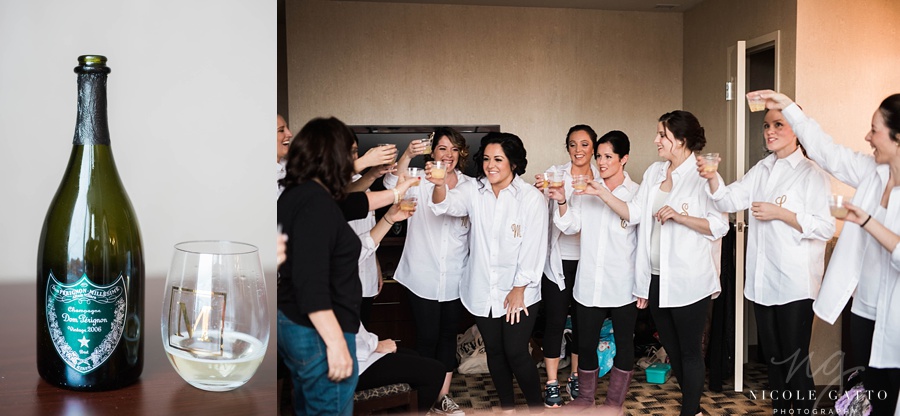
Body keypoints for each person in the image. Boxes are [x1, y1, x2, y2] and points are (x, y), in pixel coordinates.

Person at [755, 90, 900, 415]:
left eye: (874, 130)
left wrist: (865, 220)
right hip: (864, 307)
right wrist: (787, 106)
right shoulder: (871, 173)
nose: (867, 136)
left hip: (897, 312)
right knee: (864, 394)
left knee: (889, 399)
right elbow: (825, 150)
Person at [589, 111, 727, 416]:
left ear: (682, 140)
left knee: (690, 351)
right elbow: (633, 213)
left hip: (690, 279)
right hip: (655, 277)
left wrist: (680, 216)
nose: (656, 140)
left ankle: (690, 411)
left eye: (662, 135)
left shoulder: (703, 173)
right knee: (672, 349)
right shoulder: (654, 172)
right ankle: (694, 409)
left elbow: (719, 226)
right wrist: (600, 192)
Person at [277, 117, 415, 416]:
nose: (355, 159)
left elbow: (354, 203)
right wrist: (337, 344)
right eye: (351, 152)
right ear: (333, 155)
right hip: (318, 332)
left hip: (295, 324)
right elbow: (310, 283)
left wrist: (397, 193)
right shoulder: (315, 203)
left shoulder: (301, 193)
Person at [700, 107, 834, 412]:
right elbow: (728, 199)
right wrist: (711, 177)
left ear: (797, 130)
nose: (769, 131)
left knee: (794, 361)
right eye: (766, 126)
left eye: (778, 125)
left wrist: (783, 214)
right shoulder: (761, 169)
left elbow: (826, 227)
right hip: (762, 281)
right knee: (773, 360)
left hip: (795, 283)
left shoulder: (812, 174)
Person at [428, 132, 549, 413]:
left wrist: (519, 287)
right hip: (481, 288)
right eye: (486, 159)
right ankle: (507, 408)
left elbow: (535, 248)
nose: (490, 165)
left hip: (519, 291)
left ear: (514, 163)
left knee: (517, 351)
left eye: (498, 159)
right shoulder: (473, 191)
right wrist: (438, 184)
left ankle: (537, 408)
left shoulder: (530, 199)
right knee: (494, 351)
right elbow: (444, 205)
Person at [382, 127, 473, 414]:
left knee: (448, 337)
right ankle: (423, 399)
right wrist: (408, 155)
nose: (448, 155)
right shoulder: (418, 178)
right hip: (421, 274)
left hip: (456, 276)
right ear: (432, 152)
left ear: (461, 154)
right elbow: (389, 183)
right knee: (426, 337)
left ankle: (441, 398)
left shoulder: (471, 186)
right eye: (443, 149)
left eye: (454, 149)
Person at [553, 130, 640, 414]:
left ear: (624, 159)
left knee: (625, 344)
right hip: (589, 281)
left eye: (608, 156)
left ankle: (614, 402)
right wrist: (563, 200)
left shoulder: (637, 193)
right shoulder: (585, 189)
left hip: (624, 283)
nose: (600, 162)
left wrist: (643, 285)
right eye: (599, 156)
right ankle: (585, 399)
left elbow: (637, 229)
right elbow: (571, 227)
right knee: (585, 342)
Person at [534, 125, 600, 407]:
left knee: (583, 325)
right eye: (572, 145)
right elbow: (538, 208)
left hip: (589, 261)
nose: (578, 150)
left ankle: (575, 376)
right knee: (556, 322)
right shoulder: (555, 175)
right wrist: (540, 190)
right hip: (558, 261)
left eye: (584, 144)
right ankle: (551, 382)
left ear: (594, 148)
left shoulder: (603, 176)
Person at [355, 323, 464, 415]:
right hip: (352, 366)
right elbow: (347, 326)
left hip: (357, 354)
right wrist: (378, 345)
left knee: (413, 355)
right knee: (435, 371)